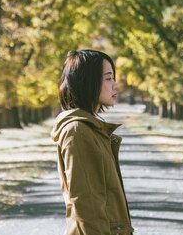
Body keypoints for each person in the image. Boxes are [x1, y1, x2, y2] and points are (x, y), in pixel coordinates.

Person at [51, 50, 134, 235]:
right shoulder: (78, 132)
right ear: (88, 82)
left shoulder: (90, 129)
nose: (115, 85)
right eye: (108, 78)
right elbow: (86, 203)